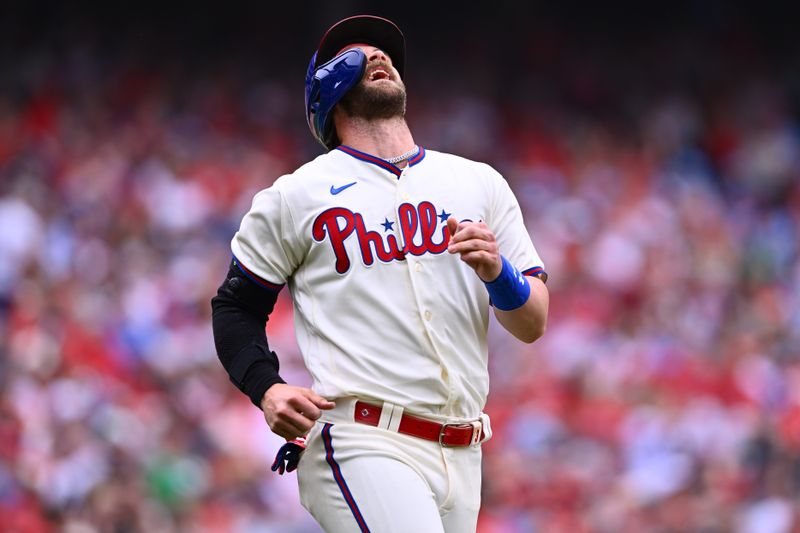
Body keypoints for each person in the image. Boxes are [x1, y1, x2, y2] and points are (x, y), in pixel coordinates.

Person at [211, 14, 549, 533]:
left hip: (462, 450)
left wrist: (499, 273)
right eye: (356, 52)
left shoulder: (477, 181)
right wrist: (267, 387)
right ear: (325, 88)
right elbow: (235, 306)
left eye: (385, 51)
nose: (379, 55)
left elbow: (533, 321)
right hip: (361, 437)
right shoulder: (296, 195)